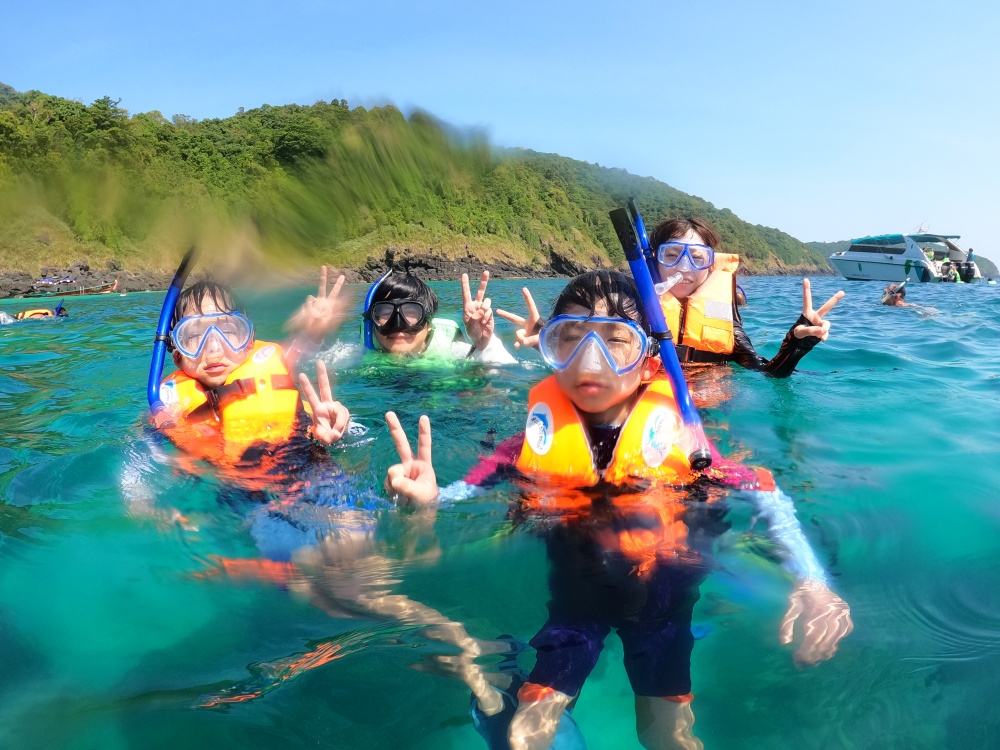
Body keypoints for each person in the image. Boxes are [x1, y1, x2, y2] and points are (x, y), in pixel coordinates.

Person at [383, 270, 853, 750]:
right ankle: (500, 681)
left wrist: (813, 581)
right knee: (525, 739)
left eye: (615, 341)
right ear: (549, 349)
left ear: (649, 358)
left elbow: (766, 493)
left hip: (663, 611)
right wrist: (429, 500)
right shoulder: (526, 443)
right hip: (575, 606)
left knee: (668, 739)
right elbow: (462, 492)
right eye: (570, 339)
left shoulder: (686, 446)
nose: (591, 360)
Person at [361, 265, 515, 365]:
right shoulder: (355, 355)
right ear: (372, 321)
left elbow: (505, 380)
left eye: (411, 312)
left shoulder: (452, 353)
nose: (398, 324)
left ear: (429, 323)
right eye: (386, 313)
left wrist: (485, 346)